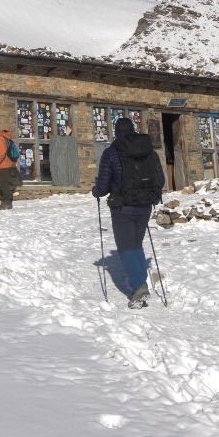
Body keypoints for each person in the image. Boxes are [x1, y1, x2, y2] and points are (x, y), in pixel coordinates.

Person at [93, 117, 166, 308]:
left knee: (125, 247)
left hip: (122, 207)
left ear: (116, 132)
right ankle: (140, 284)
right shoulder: (150, 151)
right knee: (135, 244)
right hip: (144, 205)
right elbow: (160, 178)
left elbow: (102, 186)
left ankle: (139, 285)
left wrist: (96, 191)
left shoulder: (111, 153)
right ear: (133, 130)